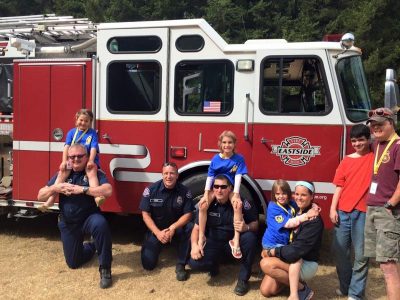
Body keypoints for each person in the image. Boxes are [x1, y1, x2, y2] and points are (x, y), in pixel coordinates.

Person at [37, 144, 113, 289]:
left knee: (101, 224)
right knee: (73, 263)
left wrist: (84, 189)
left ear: (86, 157)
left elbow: (108, 190)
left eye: (80, 156)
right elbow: (40, 195)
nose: (76, 159)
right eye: (72, 157)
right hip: (68, 222)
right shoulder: (63, 173)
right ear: (68, 158)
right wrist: (56, 187)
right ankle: (92, 246)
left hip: (89, 218)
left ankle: (105, 269)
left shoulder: (92, 170)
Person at [189, 174, 258, 296]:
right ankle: (214, 263)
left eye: (223, 187)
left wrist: (246, 227)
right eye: (216, 186)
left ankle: (243, 280)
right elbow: (196, 228)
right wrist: (194, 245)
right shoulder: (207, 203)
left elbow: (255, 224)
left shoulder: (240, 202)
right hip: (214, 242)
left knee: (250, 237)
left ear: (230, 188)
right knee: (194, 263)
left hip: (233, 244)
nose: (219, 190)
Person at [330, 124, 373, 300]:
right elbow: (339, 186)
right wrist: (333, 208)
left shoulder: (374, 157)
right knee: (339, 252)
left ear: (368, 139)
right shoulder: (346, 160)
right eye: (354, 141)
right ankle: (346, 287)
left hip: (363, 212)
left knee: (362, 255)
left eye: (361, 140)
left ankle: (355, 294)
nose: (357, 144)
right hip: (343, 211)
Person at [260, 181, 324, 300]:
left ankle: (301, 290)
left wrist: (272, 252)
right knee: (266, 290)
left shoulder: (314, 220)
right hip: (289, 254)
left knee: (266, 264)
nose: (299, 198)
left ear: (312, 196)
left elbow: (296, 252)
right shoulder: (296, 208)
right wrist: (313, 206)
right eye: (297, 194)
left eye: (303, 195)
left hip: (304, 261)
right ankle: (293, 283)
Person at [365, 107, 400, 300]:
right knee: (382, 264)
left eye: (380, 124)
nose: (375, 128)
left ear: (391, 123)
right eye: (373, 125)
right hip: (373, 208)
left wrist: (390, 204)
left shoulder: (397, 146)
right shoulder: (377, 144)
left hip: (387, 211)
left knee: (389, 265)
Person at [38, 109, 104, 212]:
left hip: (87, 160)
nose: (83, 123)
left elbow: (93, 148)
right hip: (73, 161)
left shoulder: (92, 133)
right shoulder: (71, 132)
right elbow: (66, 148)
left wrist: (91, 160)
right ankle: (50, 201)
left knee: (91, 172)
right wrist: (64, 161)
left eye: (86, 121)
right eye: (81, 120)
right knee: (61, 174)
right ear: (76, 119)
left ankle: (97, 197)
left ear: (90, 122)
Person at [139, 162, 194, 281]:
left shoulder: (185, 191)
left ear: (177, 175)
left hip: (176, 229)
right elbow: (145, 215)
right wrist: (158, 233)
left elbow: (188, 214)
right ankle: (154, 244)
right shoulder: (151, 190)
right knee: (148, 265)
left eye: (172, 173)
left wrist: (173, 227)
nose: (169, 176)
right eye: (166, 173)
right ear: (162, 174)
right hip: (157, 230)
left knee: (190, 227)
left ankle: (181, 264)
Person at [198, 130, 247, 259]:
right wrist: (205, 194)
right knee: (202, 205)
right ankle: (201, 236)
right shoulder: (215, 159)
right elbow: (210, 177)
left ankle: (235, 240)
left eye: (230, 142)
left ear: (234, 144)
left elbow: (238, 176)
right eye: (224, 142)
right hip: (216, 188)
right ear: (220, 144)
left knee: (237, 205)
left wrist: (236, 194)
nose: (227, 145)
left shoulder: (239, 159)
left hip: (229, 189)